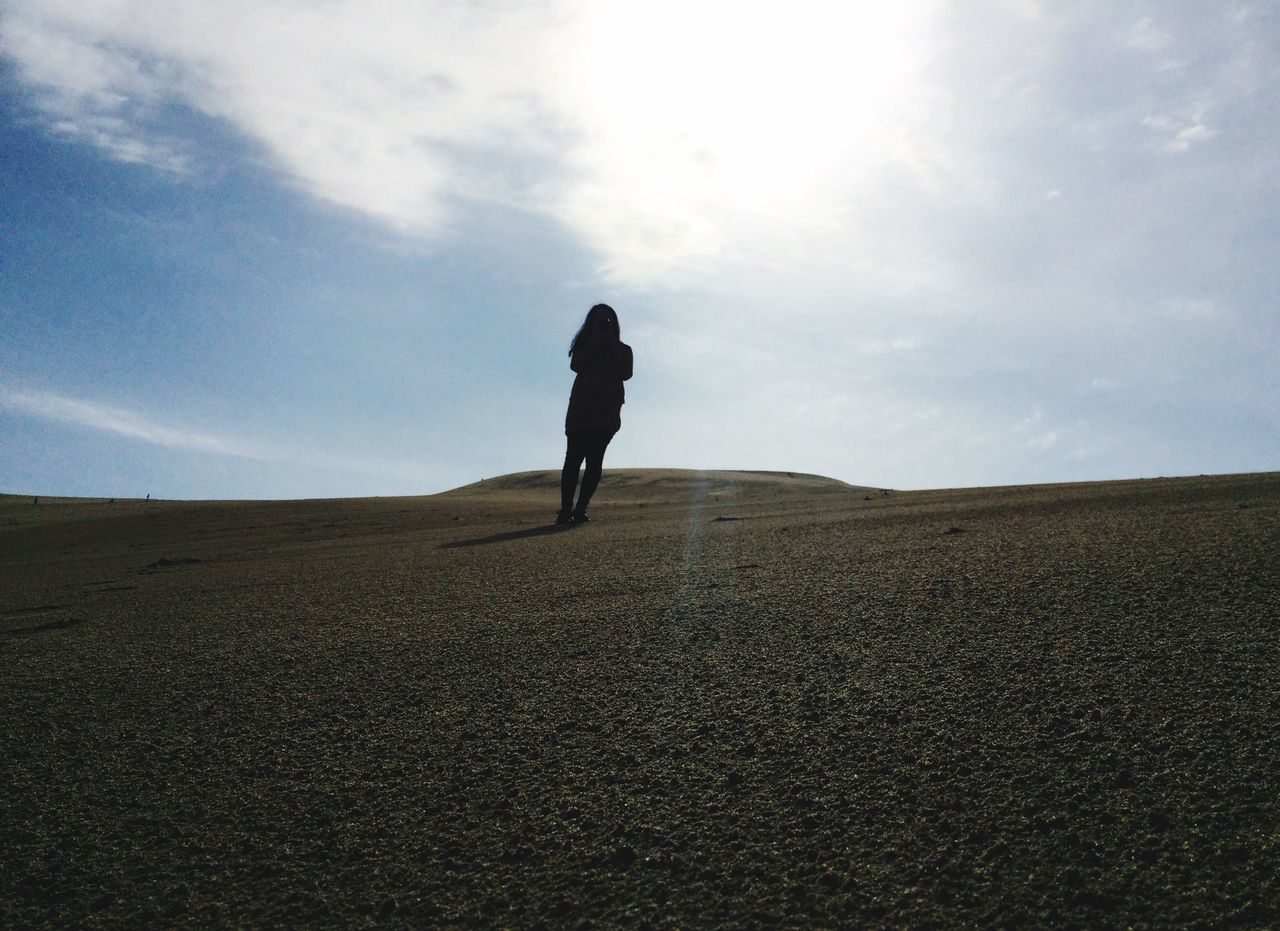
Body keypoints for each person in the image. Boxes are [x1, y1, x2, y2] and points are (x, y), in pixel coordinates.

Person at [559, 303, 633, 524]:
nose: (603, 324)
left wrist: (609, 341)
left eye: (607, 321)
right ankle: (565, 509)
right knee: (572, 460)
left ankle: (580, 509)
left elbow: (626, 372)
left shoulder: (622, 349)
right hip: (580, 413)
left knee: (594, 462)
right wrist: (594, 340)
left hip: (605, 415)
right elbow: (576, 365)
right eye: (599, 320)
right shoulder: (584, 346)